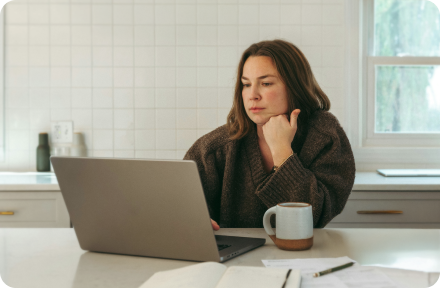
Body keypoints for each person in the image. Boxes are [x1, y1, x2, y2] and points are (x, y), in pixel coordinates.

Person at [184, 39, 355, 230]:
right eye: (246, 84)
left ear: (294, 86)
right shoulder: (213, 149)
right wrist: (190, 222)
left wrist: (282, 153)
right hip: (232, 258)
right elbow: (179, 206)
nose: (252, 95)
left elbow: (314, 217)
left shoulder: (325, 137)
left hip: (304, 255)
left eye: (265, 83)